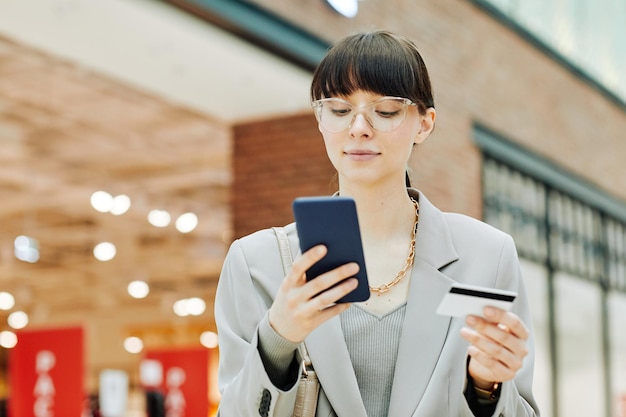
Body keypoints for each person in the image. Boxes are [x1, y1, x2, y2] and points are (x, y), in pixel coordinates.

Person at [215, 30, 539, 416]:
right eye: (338, 110)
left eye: (385, 110)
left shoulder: (487, 256)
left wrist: (487, 388)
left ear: (425, 124)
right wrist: (278, 337)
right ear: (320, 121)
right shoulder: (257, 264)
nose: (359, 127)